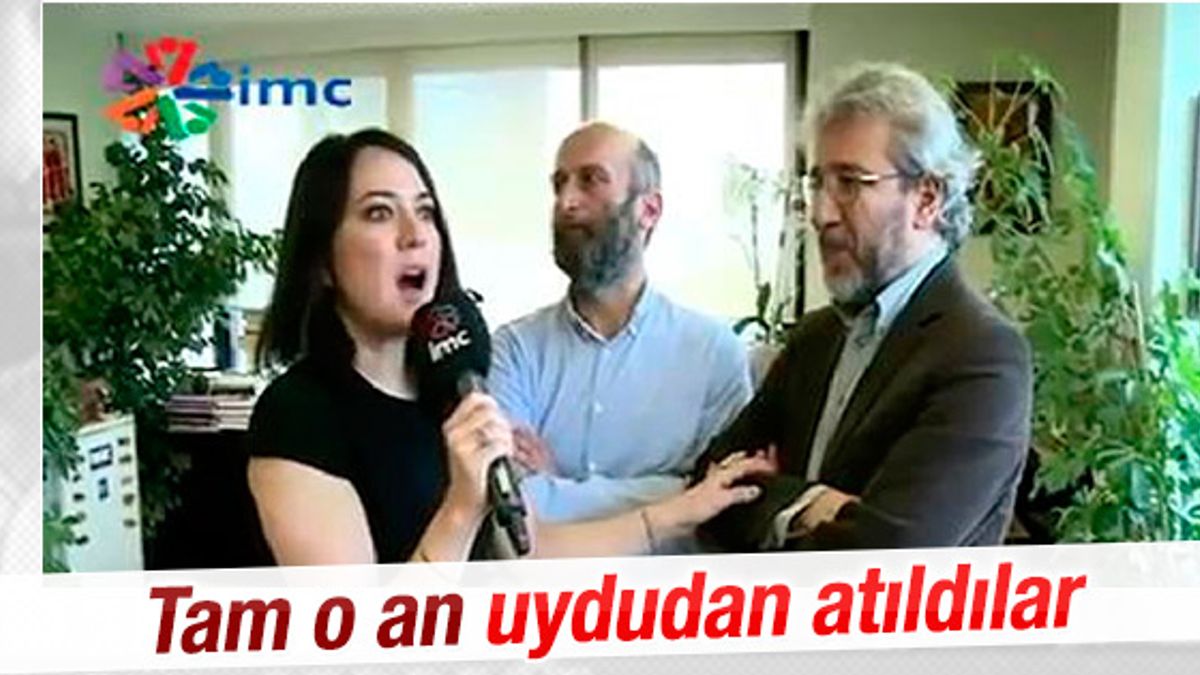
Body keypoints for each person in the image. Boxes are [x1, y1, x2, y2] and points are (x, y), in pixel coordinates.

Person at [247, 128, 768, 565]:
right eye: (380, 213)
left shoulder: (449, 388)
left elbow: (528, 549)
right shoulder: (299, 414)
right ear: (321, 259)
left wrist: (678, 510)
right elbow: (355, 634)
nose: (416, 235)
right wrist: (462, 507)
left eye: (425, 212)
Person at [697, 63, 1033, 552]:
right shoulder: (816, 337)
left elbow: (891, 552)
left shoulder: (982, 353)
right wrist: (817, 505)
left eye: (850, 183)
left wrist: (776, 499)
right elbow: (707, 488)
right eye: (817, 183)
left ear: (927, 198)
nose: (821, 214)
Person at [489, 122, 752, 533]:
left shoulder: (715, 353)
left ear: (649, 210)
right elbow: (511, 509)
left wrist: (557, 488)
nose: (566, 202)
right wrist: (681, 495)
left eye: (590, 180)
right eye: (559, 184)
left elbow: (725, 505)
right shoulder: (514, 351)